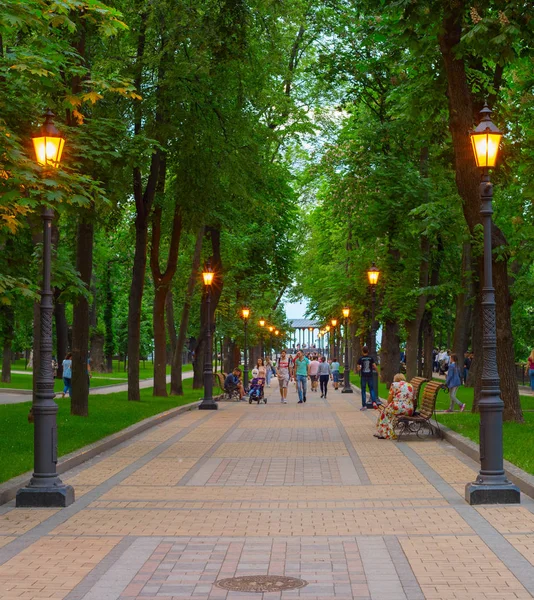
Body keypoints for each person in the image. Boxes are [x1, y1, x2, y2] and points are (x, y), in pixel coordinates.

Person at [375, 373, 414, 439]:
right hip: (409, 409)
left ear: (396, 379)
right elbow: (413, 399)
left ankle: (386, 433)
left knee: (384, 411)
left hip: (398, 407)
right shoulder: (410, 385)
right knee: (387, 412)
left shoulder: (395, 385)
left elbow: (390, 398)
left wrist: (387, 405)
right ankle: (384, 432)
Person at [357, 346, 377, 410]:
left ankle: (364, 405)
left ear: (362, 351)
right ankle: (374, 402)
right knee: (371, 389)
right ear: (368, 351)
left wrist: (359, 368)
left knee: (363, 390)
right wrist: (378, 373)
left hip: (363, 375)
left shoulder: (360, 359)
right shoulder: (371, 358)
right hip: (370, 375)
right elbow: (374, 366)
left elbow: (358, 368)